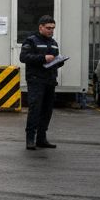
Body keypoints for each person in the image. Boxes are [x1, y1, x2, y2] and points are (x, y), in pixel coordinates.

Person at [19, 15, 62, 150]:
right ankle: (30, 139)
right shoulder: (31, 41)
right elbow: (24, 57)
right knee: (35, 109)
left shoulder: (54, 43)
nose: (51, 31)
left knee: (47, 111)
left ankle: (41, 139)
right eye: (48, 28)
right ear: (40, 27)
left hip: (50, 81)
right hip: (36, 80)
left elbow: (54, 61)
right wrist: (43, 58)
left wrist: (58, 62)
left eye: (53, 28)